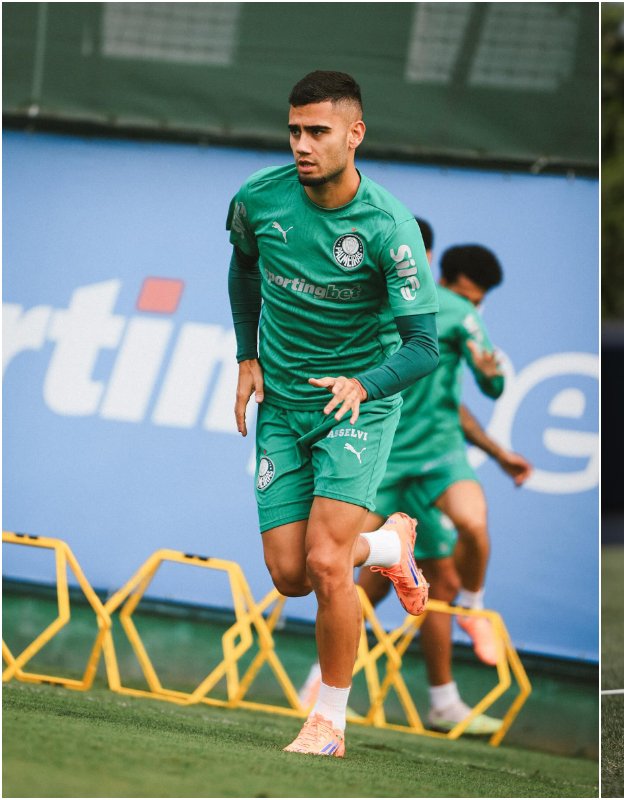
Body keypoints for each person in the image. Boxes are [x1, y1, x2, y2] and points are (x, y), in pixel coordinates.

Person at [227, 70, 441, 758]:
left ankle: (329, 723)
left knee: (325, 566)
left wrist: (365, 382)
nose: (301, 144)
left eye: (317, 131)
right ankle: (390, 547)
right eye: (294, 130)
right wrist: (245, 355)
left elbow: (423, 347)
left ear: (355, 134)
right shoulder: (258, 199)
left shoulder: (389, 228)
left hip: (356, 409)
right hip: (283, 406)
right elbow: (243, 266)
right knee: (290, 575)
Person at [300, 241, 529, 734]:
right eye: (474, 295)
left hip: (432, 460)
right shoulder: (435, 309)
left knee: (439, 565)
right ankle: (324, 682)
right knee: (354, 573)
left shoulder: (404, 308)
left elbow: (455, 402)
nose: (477, 305)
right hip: (386, 460)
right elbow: (489, 388)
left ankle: (455, 659)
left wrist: (496, 451)